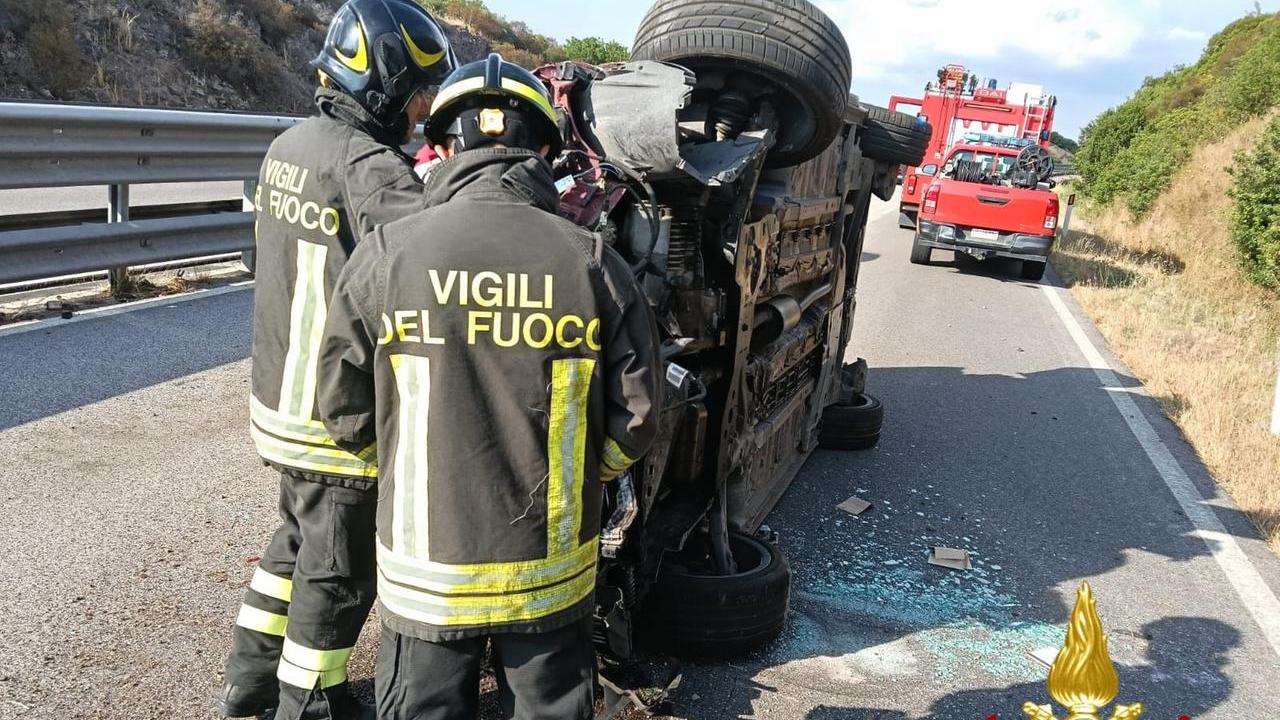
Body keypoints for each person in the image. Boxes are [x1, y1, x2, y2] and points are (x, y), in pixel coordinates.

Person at [316, 54, 662, 720]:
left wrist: (397, 472)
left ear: (443, 146)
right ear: (542, 150)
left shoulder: (387, 255)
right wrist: (585, 476)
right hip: (548, 574)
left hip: (426, 574)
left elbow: (341, 406)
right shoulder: (592, 262)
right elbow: (638, 417)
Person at [221, 2, 455, 718]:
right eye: (418, 94)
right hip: (333, 418)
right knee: (337, 574)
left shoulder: (287, 147)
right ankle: (310, 701)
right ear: (383, 83)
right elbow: (435, 254)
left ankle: (250, 681)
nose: (420, 114)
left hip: (280, 403)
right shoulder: (369, 169)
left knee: (294, 543)